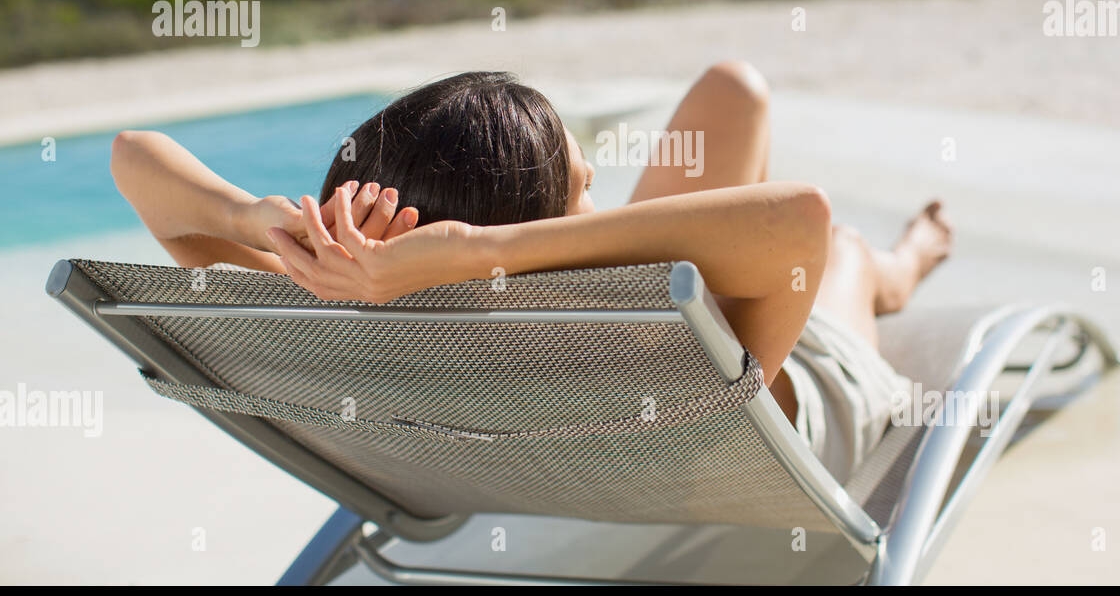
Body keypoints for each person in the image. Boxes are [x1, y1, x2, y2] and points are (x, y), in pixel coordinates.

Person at [111, 61, 951, 479]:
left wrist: (253, 219)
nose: (599, 207)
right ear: (510, 239)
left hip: (514, 363)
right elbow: (800, 220)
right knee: (842, 249)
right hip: (810, 398)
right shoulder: (640, 357)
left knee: (733, 91)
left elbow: (133, 156)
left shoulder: (334, 326)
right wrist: (485, 252)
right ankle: (902, 266)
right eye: (583, 193)